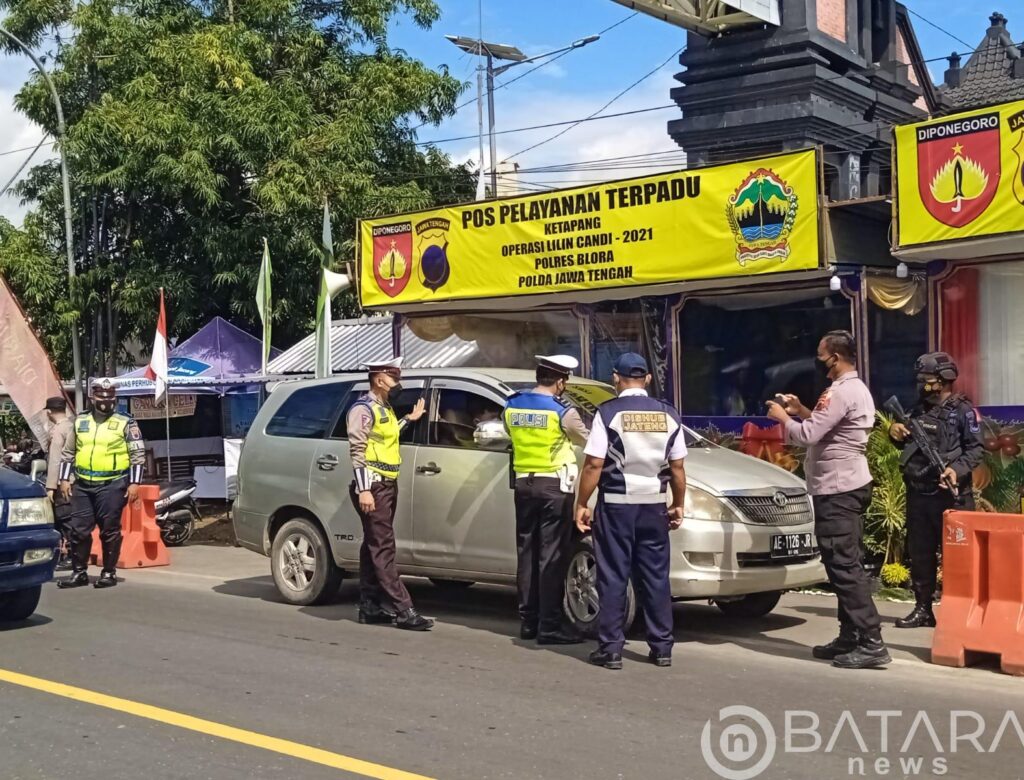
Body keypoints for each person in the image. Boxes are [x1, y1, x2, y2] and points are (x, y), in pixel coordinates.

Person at [766, 330, 890, 669]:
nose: (818, 361)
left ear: (834, 358)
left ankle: (871, 640)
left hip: (838, 489)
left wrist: (783, 419)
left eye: (821, 355)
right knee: (841, 564)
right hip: (845, 485)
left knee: (844, 566)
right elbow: (825, 425)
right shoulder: (854, 389)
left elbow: (809, 436)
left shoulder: (841, 392)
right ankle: (850, 636)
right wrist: (802, 409)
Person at [575, 353, 687, 670]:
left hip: (616, 506)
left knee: (612, 576)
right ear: (648, 378)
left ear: (615, 378)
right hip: (654, 505)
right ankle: (662, 647)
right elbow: (677, 468)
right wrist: (678, 503)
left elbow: (595, 464)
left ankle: (611, 649)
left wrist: (582, 503)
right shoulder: (669, 413)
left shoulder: (608, 412)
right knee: (655, 576)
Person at [889, 352, 983, 629]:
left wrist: (957, 469)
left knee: (958, 557)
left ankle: (961, 612)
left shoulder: (964, 412)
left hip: (951, 496)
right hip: (919, 494)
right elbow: (905, 444)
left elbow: (976, 449)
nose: (922, 385)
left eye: (927, 380)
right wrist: (895, 433)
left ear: (944, 380)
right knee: (920, 553)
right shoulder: (918, 410)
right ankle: (923, 609)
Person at [503, 355, 589, 644]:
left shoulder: (511, 404)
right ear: (560, 381)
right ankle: (550, 625)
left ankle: (528, 622)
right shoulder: (562, 411)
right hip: (553, 487)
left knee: (526, 553)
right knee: (550, 556)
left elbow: (510, 435)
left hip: (523, 485)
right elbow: (586, 440)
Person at [347, 357, 432, 631]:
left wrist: (409, 419)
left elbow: (388, 436)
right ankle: (404, 610)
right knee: (383, 547)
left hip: (386, 485)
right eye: (394, 376)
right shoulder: (362, 409)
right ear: (379, 379)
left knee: (372, 543)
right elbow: (357, 452)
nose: (398, 382)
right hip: (372, 486)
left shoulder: (384, 408)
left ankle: (370, 606)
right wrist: (364, 490)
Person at [57, 380, 146, 589]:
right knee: (78, 530)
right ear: (92, 398)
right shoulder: (80, 421)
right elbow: (68, 453)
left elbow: (137, 455)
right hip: (82, 484)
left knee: (109, 530)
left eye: (109, 397)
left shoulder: (126, 422)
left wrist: (134, 483)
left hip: (112, 484)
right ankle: (79, 573)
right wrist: (63, 479)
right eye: (101, 397)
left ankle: (108, 572)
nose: (105, 401)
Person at [44, 396, 75, 570]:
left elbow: (56, 459)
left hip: (62, 482)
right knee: (71, 518)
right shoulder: (72, 426)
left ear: (49, 412)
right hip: (75, 480)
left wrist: (50, 486)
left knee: (64, 518)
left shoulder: (58, 430)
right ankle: (73, 555)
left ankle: (71, 556)